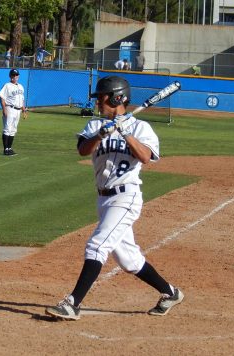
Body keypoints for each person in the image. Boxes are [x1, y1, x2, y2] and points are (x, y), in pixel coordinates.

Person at [45, 76, 184, 320]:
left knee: (97, 245)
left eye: (101, 97)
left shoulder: (142, 129)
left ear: (116, 98)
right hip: (103, 200)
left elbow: (145, 156)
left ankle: (72, 303)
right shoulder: (93, 125)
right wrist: (101, 134)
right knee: (129, 259)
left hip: (126, 196)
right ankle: (170, 293)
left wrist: (126, 133)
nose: (98, 102)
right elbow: (82, 149)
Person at [0, 68, 27, 156]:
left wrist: (24, 110)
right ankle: (5, 149)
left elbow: (22, 100)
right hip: (10, 109)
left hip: (18, 110)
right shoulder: (7, 85)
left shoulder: (21, 86)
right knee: (7, 129)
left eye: (16, 75)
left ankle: (9, 148)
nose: (15, 76)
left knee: (13, 130)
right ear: (10, 76)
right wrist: (4, 109)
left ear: (18, 76)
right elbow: (1, 97)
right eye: (13, 75)